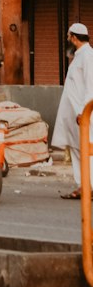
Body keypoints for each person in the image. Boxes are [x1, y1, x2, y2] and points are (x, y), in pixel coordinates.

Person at [52, 22, 93, 199]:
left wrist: (84, 111)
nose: (68, 39)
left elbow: (91, 86)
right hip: (75, 115)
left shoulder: (88, 57)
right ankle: (83, 185)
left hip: (82, 114)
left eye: (69, 36)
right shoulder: (79, 56)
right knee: (77, 149)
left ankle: (88, 186)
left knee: (86, 149)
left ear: (74, 38)